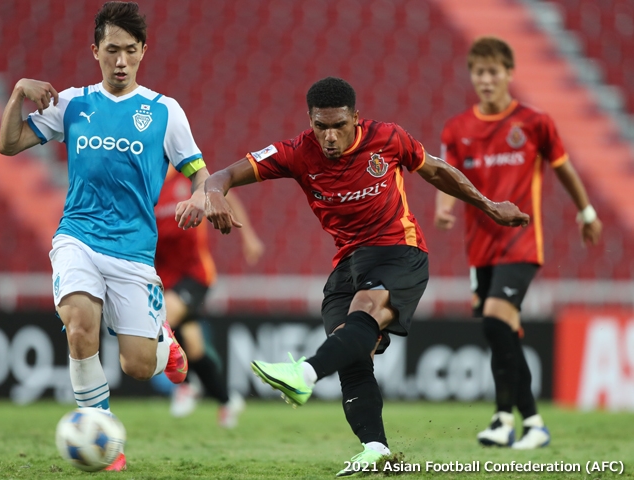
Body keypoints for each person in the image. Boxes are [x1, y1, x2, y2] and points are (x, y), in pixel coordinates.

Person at [202, 76, 529, 476]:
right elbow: (221, 175)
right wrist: (214, 193)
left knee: (364, 310)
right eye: (321, 126)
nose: (330, 137)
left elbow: (437, 171)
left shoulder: (388, 138)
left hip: (399, 250)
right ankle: (376, 449)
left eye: (339, 125)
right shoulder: (297, 152)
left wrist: (488, 205)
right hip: (349, 263)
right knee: (350, 352)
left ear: (356, 118)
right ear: (310, 121)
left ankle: (304, 374)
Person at [0, 2, 209, 471]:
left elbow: (199, 171)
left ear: (143, 51)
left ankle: (163, 343)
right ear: (95, 51)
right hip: (77, 237)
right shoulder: (72, 104)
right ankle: (102, 434)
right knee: (79, 326)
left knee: (138, 365)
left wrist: (200, 196)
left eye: (130, 50)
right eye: (111, 50)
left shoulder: (164, 111)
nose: (121, 61)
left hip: (133, 251)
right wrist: (17, 93)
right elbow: (8, 145)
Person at [435, 37, 602, 450]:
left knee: (496, 322)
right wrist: (443, 208)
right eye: (479, 72)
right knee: (501, 332)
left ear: (509, 73)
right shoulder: (457, 128)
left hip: (522, 242)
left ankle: (516, 421)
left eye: (493, 71)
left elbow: (564, 169)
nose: (486, 79)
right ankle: (517, 422)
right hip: (480, 247)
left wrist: (586, 212)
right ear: (472, 76)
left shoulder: (534, 122)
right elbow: (444, 175)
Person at [154, 166, 264, 426]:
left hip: (195, 274)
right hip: (163, 276)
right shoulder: (148, 181)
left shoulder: (190, 177)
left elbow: (224, 193)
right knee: (194, 349)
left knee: (164, 316)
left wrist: (248, 237)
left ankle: (187, 384)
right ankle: (227, 400)